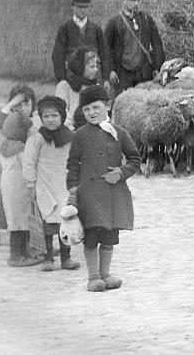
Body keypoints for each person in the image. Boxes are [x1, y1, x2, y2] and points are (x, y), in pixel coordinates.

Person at [66, 85, 141, 292]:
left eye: (96, 107)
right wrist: (72, 189)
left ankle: (105, 274)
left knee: (109, 236)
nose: (91, 112)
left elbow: (135, 159)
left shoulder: (120, 133)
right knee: (91, 235)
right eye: (87, 109)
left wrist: (121, 172)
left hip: (113, 195)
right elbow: (73, 164)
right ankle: (93, 276)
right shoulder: (80, 135)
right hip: (88, 196)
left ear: (107, 106)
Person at [21, 96, 79, 271]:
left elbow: (76, 159)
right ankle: (48, 258)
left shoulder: (70, 137)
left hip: (64, 184)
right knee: (47, 222)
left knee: (65, 220)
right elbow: (29, 161)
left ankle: (66, 257)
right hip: (44, 185)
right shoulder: (37, 139)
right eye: (45, 117)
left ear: (61, 116)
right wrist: (30, 184)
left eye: (54, 115)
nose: (50, 120)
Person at [0, 85, 44, 267]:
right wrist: (10, 106)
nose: (22, 108)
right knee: (19, 223)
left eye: (26, 103)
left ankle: (29, 250)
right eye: (18, 105)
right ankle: (17, 255)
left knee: (24, 221)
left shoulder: (11, 139)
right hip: (19, 188)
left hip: (19, 189)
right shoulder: (12, 139)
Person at [105, 0, 165, 95]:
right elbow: (106, 49)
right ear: (124, 0)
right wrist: (110, 70)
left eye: (138, 0)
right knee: (123, 104)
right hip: (122, 74)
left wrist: (157, 67)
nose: (136, 3)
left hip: (143, 73)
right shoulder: (114, 22)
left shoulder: (146, 20)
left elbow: (157, 45)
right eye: (133, 0)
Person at [51, 0, 111, 84]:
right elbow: (58, 56)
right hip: (73, 77)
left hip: (94, 77)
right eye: (80, 7)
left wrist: (106, 78)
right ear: (73, 7)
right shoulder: (65, 29)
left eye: (86, 7)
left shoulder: (96, 29)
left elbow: (105, 54)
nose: (83, 10)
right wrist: (62, 79)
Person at [53, 48, 101, 130]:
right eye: (92, 67)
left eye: (96, 66)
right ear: (81, 68)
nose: (96, 70)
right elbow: (61, 114)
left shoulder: (95, 86)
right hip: (71, 132)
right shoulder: (64, 86)